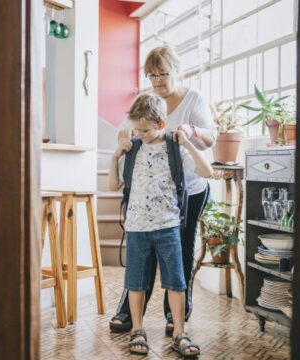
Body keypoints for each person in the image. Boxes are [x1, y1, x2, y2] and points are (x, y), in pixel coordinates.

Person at [110, 45, 218, 336]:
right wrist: (124, 138)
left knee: (180, 248)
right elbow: (125, 128)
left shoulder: (193, 98)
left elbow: (211, 139)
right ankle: (129, 312)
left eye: (163, 73)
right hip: (151, 191)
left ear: (176, 71)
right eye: (151, 74)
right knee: (141, 253)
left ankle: (176, 316)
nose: (157, 80)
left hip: (188, 189)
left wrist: (191, 133)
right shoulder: (146, 101)